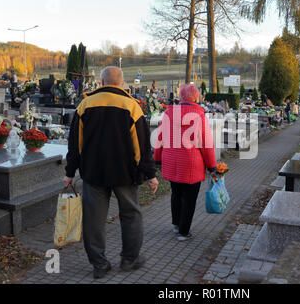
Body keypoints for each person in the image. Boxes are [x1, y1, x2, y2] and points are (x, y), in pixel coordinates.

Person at [64, 66, 159, 279]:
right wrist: (150, 174)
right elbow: (142, 147)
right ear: (122, 82)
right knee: (131, 215)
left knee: (94, 220)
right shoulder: (131, 106)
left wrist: (70, 172)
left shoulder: (85, 105)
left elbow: (75, 146)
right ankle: (129, 259)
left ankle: (99, 264)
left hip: (93, 173)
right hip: (125, 173)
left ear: (101, 81)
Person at [154, 84, 217, 241]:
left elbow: (160, 137)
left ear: (181, 97)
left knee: (175, 193)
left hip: (171, 160)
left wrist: (157, 157)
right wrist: (212, 165)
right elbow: (206, 144)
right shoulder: (200, 116)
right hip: (191, 163)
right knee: (189, 198)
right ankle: (183, 232)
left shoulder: (169, 113)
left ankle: (176, 224)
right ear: (196, 97)